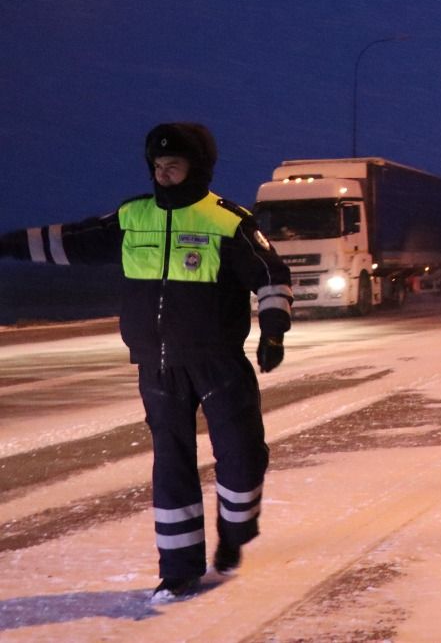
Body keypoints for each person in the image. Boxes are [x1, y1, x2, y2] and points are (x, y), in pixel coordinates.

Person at [0, 123, 293, 604]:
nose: (163, 171)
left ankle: (237, 531)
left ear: (197, 166)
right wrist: (8, 245)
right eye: (157, 165)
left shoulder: (227, 220)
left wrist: (274, 329)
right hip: (157, 366)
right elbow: (69, 241)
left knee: (240, 458)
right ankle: (179, 570)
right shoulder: (132, 216)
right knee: (171, 465)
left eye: (173, 163)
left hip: (218, 362)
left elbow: (270, 274)